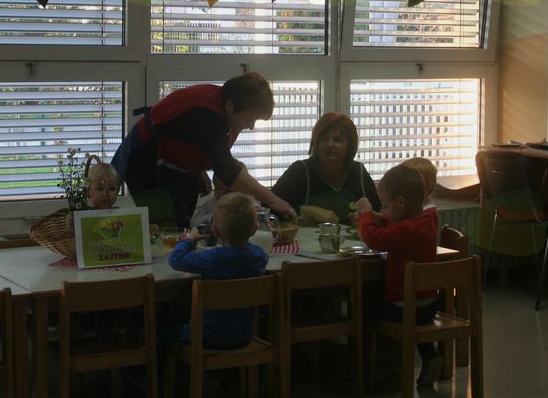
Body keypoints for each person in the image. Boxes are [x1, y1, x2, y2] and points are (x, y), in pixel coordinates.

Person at [111, 72, 295, 225]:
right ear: (230, 106)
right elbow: (228, 171)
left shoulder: (227, 107)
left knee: (183, 223)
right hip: (146, 158)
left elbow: (197, 140)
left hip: (173, 159)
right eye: (249, 119)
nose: (251, 126)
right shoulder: (208, 116)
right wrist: (273, 200)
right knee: (165, 224)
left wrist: (199, 169)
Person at [357, 164, 442, 385]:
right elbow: (403, 224)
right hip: (429, 305)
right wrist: (383, 218)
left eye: (387, 205)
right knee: (410, 311)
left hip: (401, 307)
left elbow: (373, 239)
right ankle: (429, 355)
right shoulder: (428, 218)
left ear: (401, 202)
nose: (385, 209)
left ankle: (369, 363)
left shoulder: (406, 230)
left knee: (364, 301)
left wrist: (366, 215)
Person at [166, 192, 268, 349]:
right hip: (243, 337)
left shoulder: (213, 258)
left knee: (162, 330)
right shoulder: (259, 256)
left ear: (216, 231)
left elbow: (175, 259)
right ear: (254, 229)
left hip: (207, 338)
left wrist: (190, 239)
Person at [272, 112, 380, 224]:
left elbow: (380, 215)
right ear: (316, 143)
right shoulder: (300, 171)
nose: (330, 144)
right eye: (324, 139)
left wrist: (367, 216)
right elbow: (270, 210)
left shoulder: (358, 172)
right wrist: (309, 210)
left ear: (350, 145)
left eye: (337, 140)